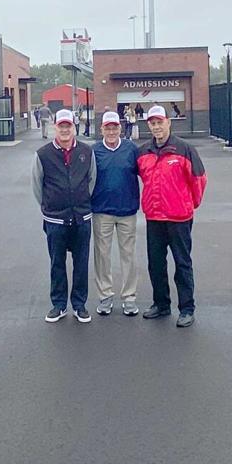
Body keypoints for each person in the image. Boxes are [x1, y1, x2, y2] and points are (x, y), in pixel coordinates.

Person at [138, 105, 207, 328]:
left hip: (179, 218)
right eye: (152, 123)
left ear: (169, 122)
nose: (156, 126)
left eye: (160, 122)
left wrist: (190, 204)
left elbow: (198, 179)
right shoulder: (143, 152)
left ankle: (187, 308)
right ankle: (161, 304)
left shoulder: (184, 149)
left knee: (182, 263)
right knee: (155, 263)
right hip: (154, 217)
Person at [32, 109, 96, 323]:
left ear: (74, 127)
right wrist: (49, 206)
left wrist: (82, 201)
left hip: (81, 218)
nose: (65, 129)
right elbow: (37, 186)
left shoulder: (87, 152)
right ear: (55, 127)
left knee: (81, 263)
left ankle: (79, 305)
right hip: (55, 220)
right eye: (61, 126)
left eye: (68, 125)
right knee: (57, 263)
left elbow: (92, 181)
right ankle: (59, 305)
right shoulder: (43, 154)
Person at [91, 111, 141, 317]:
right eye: (107, 128)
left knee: (128, 255)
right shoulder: (94, 151)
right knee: (102, 255)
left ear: (120, 128)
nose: (111, 131)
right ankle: (105, 295)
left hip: (127, 210)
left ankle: (129, 297)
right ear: (101, 129)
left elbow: (145, 173)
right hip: (102, 210)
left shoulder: (131, 149)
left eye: (115, 127)